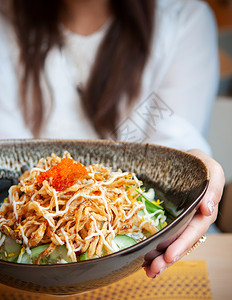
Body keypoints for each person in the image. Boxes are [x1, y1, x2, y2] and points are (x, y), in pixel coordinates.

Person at [0, 0, 225, 278]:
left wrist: (194, 169)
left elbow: (173, 141)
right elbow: (8, 161)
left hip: (164, 262)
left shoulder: (183, 17)